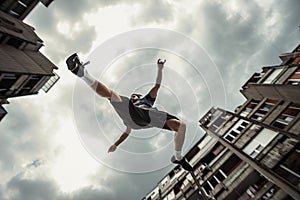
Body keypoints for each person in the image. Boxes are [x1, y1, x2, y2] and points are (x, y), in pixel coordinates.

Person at [66, 53, 192, 171]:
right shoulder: (129, 105)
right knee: (112, 95)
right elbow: (126, 133)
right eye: (131, 97)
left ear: (139, 96)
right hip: (134, 119)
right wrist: (116, 144)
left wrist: (159, 69)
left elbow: (157, 86)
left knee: (181, 126)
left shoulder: (147, 99)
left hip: (153, 117)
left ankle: (178, 158)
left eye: (134, 96)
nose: (133, 97)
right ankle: (82, 73)